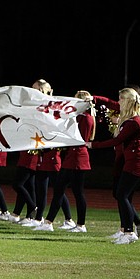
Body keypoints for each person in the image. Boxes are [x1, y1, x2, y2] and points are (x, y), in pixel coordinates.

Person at [86, 87, 140, 244]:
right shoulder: (130, 118)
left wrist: (93, 145)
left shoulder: (134, 122)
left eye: (121, 99)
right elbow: (110, 103)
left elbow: (116, 141)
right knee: (122, 195)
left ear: (128, 101)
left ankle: (129, 232)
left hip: (137, 162)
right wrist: (93, 97)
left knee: (122, 195)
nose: (119, 102)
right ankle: (128, 229)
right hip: (132, 160)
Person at [35, 90, 95, 233]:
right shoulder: (77, 117)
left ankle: (81, 225)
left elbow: (79, 139)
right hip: (70, 158)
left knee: (78, 193)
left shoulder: (85, 118)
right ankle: (48, 222)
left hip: (78, 159)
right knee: (59, 190)